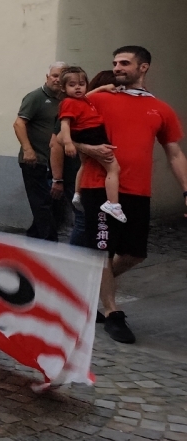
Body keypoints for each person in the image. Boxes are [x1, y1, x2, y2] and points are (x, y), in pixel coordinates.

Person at [73, 46, 187, 344]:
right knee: (102, 251)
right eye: (115, 62)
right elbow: (64, 139)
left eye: (125, 63)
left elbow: (174, 154)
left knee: (136, 253)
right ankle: (112, 312)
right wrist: (90, 149)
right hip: (99, 187)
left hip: (138, 189)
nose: (117, 67)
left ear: (144, 67)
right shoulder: (96, 98)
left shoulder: (160, 109)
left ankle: (89, 287)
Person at [56, 66, 125, 222]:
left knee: (85, 164)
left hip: (87, 133)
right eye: (72, 85)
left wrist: (102, 88)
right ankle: (113, 204)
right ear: (63, 88)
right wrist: (68, 143)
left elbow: (89, 94)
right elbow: (65, 124)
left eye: (81, 83)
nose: (78, 87)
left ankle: (77, 194)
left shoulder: (81, 99)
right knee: (113, 168)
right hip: (91, 134)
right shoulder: (68, 102)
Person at [14, 62, 69, 240]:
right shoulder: (36, 97)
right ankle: (50, 243)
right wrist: (28, 150)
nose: (58, 80)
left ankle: (33, 238)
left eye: (62, 76)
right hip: (35, 161)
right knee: (42, 204)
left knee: (53, 205)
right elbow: (19, 123)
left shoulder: (65, 100)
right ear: (47, 77)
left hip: (55, 161)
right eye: (55, 75)